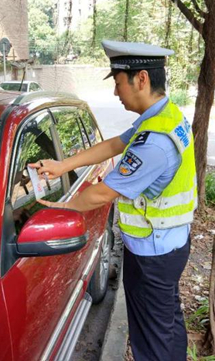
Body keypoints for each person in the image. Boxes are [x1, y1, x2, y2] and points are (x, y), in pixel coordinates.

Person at [29, 40, 196, 361]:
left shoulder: (154, 142)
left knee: (152, 342)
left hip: (153, 254)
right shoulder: (164, 116)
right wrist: (62, 166)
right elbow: (114, 144)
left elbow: (103, 192)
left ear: (142, 79)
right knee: (168, 323)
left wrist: (57, 208)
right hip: (168, 243)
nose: (116, 92)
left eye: (119, 83)